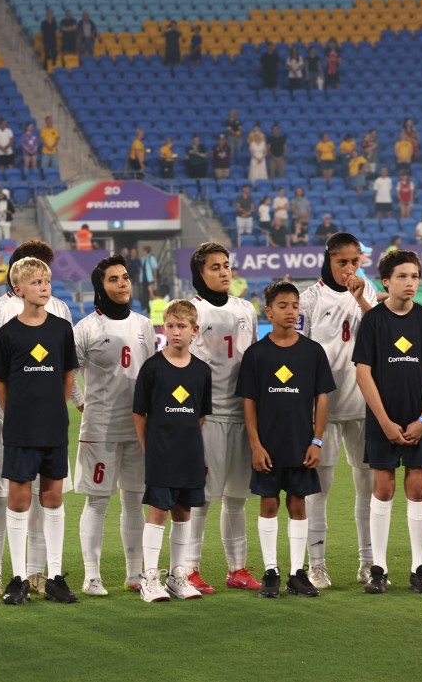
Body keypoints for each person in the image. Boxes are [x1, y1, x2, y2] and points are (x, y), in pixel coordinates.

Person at [353, 250, 422, 595]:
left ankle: (418, 568)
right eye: (403, 276)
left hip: (419, 418)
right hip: (383, 419)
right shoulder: (374, 320)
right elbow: (364, 374)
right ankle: (379, 569)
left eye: (415, 276)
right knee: (384, 488)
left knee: (417, 488)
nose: (410, 282)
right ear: (386, 282)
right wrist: (385, 422)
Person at [237, 281, 334, 599]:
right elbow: (248, 403)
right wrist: (256, 445)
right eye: (283, 306)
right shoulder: (256, 354)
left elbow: (322, 400)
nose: (291, 311)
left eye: (294, 305)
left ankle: (296, 572)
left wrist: (316, 442)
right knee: (268, 504)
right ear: (269, 311)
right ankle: (271, 572)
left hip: (301, 444)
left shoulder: (312, 352)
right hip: (268, 446)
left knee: (297, 504)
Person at [0, 257, 79, 605]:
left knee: (53, 498)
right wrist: (16, 413)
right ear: (18, 290)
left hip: (54, 426)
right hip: (20, 428)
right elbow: (0, 383)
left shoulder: (61, 328)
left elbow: (68, 375)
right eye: (37, 282)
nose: (44, 287)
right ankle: (18, 578)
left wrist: (54, 408)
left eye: (47, 281)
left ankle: (54, 577)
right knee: (19, 499)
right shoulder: (9, 332)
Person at [72, 256, 157, 596]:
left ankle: (134, 574)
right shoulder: (85, 328)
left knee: (135, 501)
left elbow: (152, 374)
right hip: (100, 428)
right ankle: (91, 576)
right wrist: (82, 404)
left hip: (138, 429)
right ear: (100, 286)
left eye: (125, 278)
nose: (123, 284)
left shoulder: (144, 325)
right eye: (114, 279)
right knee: (97, 501)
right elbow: (69, 375)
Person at [185, 243, 261, 594]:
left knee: (237, 497)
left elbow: (256, 361)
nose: (224, 272)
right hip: (208, 417)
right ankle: (189, 569)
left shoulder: (246, 308)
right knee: (202, 497)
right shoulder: (191, 312)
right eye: (215, 267)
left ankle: (237, 569)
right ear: (200, 274)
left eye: (227, 265)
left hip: (243, 414)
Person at [132, 298, 211, 603]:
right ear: (162, 328)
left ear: (195, 330)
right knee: (157, 513)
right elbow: (140, 414)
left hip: (190, 453)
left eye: (183, 326)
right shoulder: (152, 368)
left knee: (183, 512)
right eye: (171, 326)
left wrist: (187, 440)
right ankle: (149, 577)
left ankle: (177, 575)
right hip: (160, 454)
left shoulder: (202, 371)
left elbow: (200, 414)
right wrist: (149, 448)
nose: (176, 331)